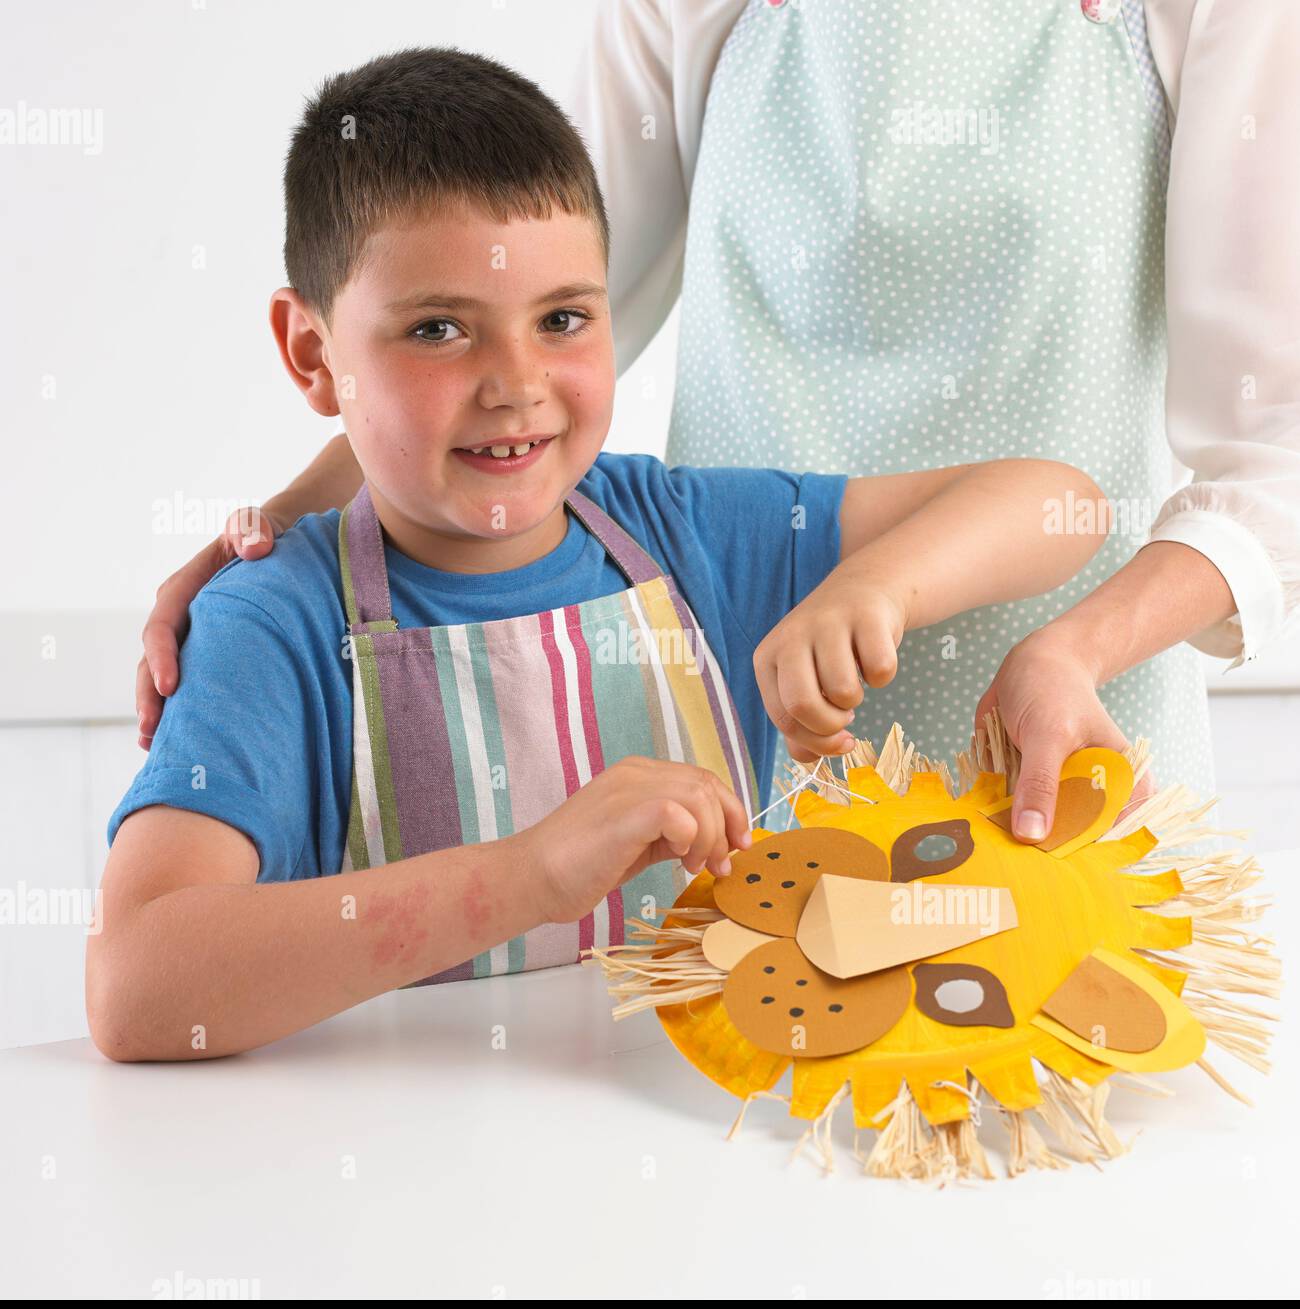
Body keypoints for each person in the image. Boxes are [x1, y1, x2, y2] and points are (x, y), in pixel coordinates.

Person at [93, 46, 1106, 1062]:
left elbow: (1065, 504)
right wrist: (531, 874)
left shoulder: (686, 536)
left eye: (563, 318)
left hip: (695, 1149)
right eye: (439, 328)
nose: (516, 383)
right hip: (413, 1183)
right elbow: (136, 985)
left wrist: (878, 585)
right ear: (313, 354)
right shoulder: (275, 621)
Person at [135, 0, 1300, 841]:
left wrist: (1070, 650)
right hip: (750, 749)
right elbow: (516, 308)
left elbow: (1275, 448)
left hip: (1070, 735)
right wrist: (288, 523)